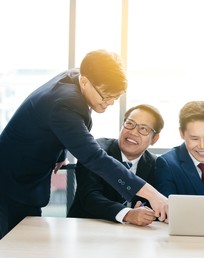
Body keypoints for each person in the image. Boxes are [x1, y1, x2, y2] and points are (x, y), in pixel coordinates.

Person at [0, 50, 167, 239]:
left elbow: (55, 124)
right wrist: (151, 194)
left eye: (116, 96)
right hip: (9, 184)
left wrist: (60, 154)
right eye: (105, 96)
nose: (110, 102)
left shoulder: (77, 76)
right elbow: (95, 158)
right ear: (86, 82)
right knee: (13, 250)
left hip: (22, 181)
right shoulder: (65, 104)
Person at [67, 104, 164, 226]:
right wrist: (128, 214)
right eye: (130, 124)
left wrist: (148, 212)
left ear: (154, 139)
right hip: (88, 228)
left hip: (133, 236)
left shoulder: (155, 164)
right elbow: (90, 197)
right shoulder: (96, 152)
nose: (133, 132)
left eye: (143, 129)